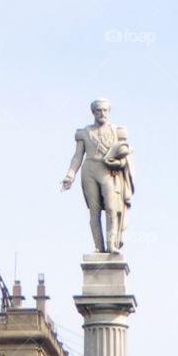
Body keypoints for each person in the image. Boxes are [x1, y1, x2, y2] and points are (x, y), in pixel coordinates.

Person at [61, 99, 134, 254]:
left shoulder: (117, 131)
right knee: (94, 211)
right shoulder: (84, 132)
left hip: (107, 171)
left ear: (109, 112)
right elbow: (77, 156)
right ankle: (98, 247)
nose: (102, 113)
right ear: (93, 112)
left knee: (111, 208)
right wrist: (70, 175)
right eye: (99, 110)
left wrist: (119, 163)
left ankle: (111, 244)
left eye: (105, 110)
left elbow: (124, 154)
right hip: (89, 170)